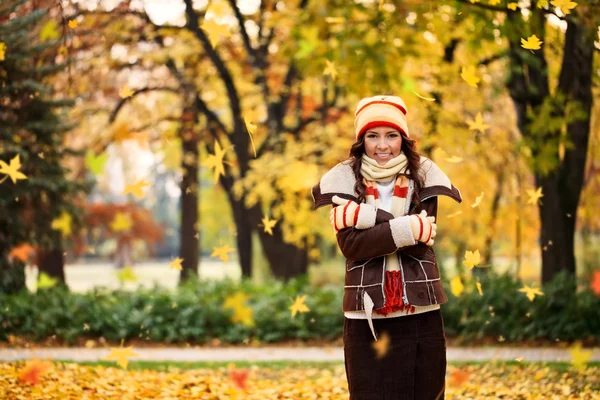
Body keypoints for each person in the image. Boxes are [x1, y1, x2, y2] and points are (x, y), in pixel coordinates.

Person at [311, 95, 463, 399]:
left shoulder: (424, 177)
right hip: (366, 314)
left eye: (391, 135)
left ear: (403, 139)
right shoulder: (344, 180)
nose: (383, 145)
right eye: (373, 136)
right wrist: (405, 226)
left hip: (420, 309)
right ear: (361, 141)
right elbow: (352, 246)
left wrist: (366, 218)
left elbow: (421, 245)